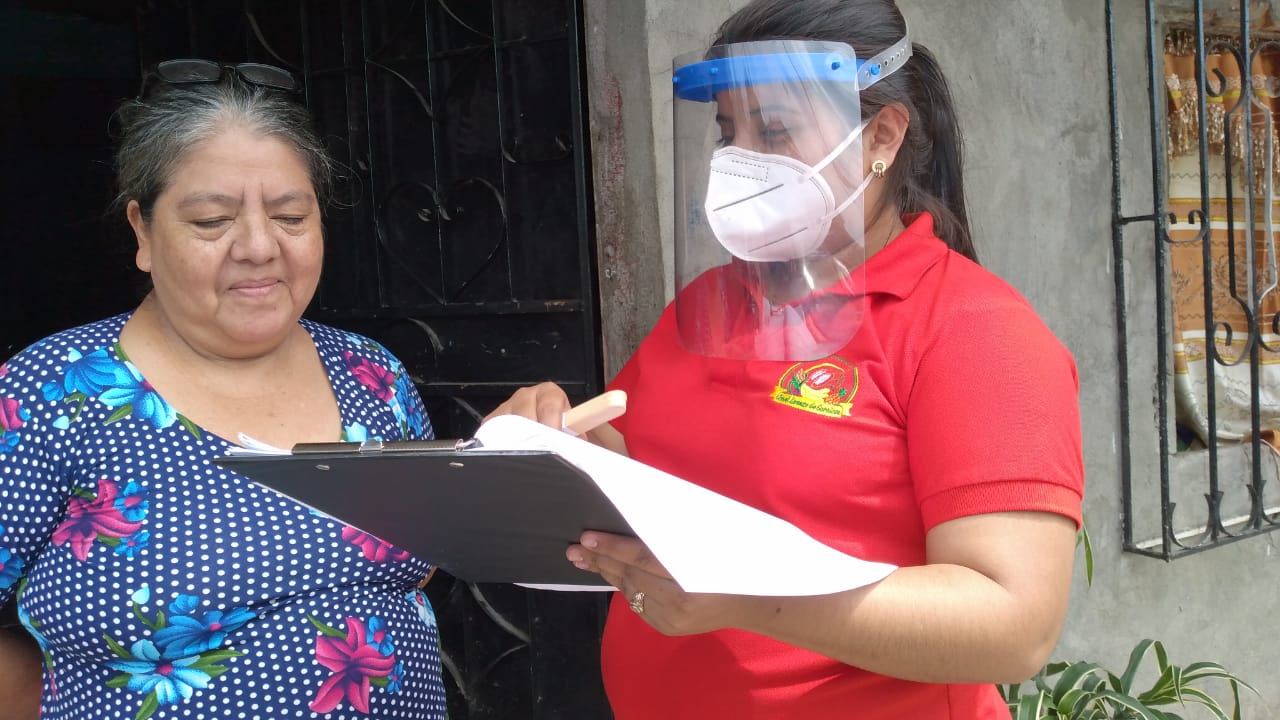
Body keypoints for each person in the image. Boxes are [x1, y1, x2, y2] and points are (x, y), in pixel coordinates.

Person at [487, 1, 1084, 718]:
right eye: (728, 132)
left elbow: (1013, 625)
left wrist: (748, 598)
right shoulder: (710, 304)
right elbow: (645, 475)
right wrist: (551, 445)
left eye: (773, 131)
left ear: (881, 137)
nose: (740, 162)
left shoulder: (972, 329)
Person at [0, 59, 448, 719]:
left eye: (291, 216)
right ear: (142, 231)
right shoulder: (48, 393)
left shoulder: (373, 374)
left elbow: (424, 562)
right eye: (212, 220)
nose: (260, 247)